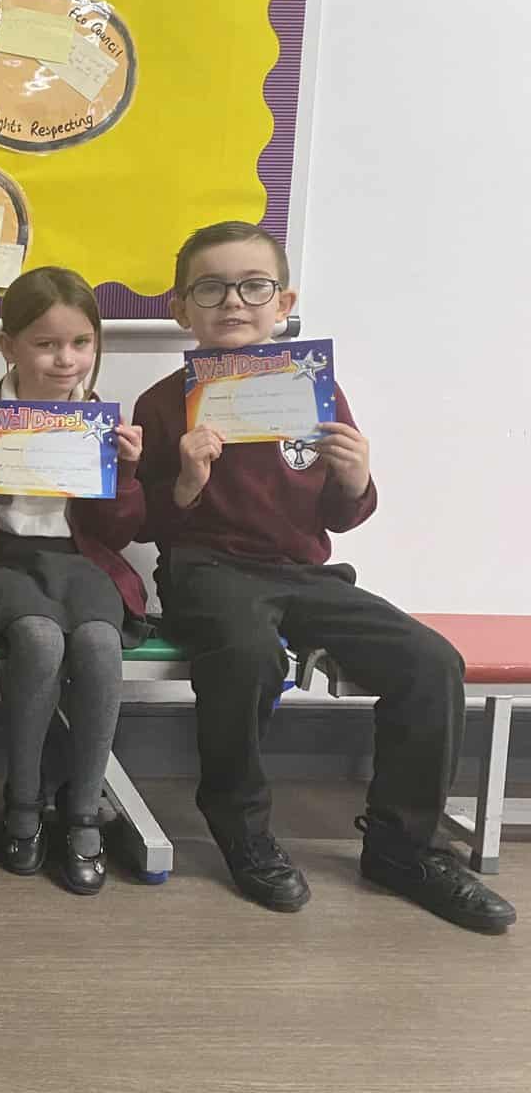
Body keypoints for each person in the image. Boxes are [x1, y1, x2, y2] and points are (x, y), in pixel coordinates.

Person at [134, 220, 515, 931]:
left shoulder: (315, 390)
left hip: (304, 572)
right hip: (207, 570)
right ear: (181, 308)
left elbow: (342, 514)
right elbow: (145, 521)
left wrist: (357, 476)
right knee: (248, 656)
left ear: (284, 304)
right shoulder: (161, 403)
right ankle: (240, 825)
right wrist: (186, 480)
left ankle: (402, 849)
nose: (233, 301)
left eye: (254, 286)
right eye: (210, 288)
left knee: (430, 661)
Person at [0, 267, 146, 895]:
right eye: (46, 344)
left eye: (81, 343)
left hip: (82, 562)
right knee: (37, 639)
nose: (66, 359)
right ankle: (24, 799)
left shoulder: (102, 419)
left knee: (99, 643)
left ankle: (84, 808)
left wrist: (127, 474)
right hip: (4, 559)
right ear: (8, 347)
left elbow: (119, 533)